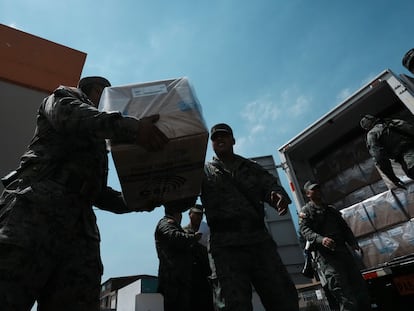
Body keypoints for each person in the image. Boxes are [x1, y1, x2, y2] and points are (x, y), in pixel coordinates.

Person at [0, 76, 169, 311]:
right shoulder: (63, 98)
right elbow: (76, 117)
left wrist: (137, 200)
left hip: (80, 228)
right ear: (91, 91)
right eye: (103, 93)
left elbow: (99, 193)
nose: (108, 100)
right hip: (35, 212)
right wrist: (133, 128)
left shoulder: (99, 141)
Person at [201, 123, 299, 311]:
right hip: (225, 247)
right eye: (215, 138)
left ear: (233, 140)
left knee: (282, 298)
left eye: (224, 136)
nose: (219, 139)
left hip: (258, 241)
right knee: (232, 305)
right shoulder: (203, 173)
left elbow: (271, 186)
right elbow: (183, 196)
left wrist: (276, 197)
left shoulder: (251, 168)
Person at [299, 181, 371, 311]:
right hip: (328, 257)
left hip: (343, 252)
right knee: (342, 290)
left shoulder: (330, 210)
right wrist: (321, 240)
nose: (318, 191)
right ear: (308, 194)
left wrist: (353, 243)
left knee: (359, 286)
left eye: (318, 188)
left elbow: (344, 228)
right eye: (314, 190)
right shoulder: (306, 212)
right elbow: (305, 231)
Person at [155, 205, 202, 311]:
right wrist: (193, 238)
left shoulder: (173, 225)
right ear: (177, 213)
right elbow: (174, 237)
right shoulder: (166, 223)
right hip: (171, 278)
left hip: (179, 277)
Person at [360, 114, 414, 188]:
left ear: (367, 128)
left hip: (410, 162)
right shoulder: (396, 122)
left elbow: (379, 158)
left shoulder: (372, 134)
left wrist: (393, 179)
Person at [183, 204, 214, 311]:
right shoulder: (183, 232)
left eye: (201, 215)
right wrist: (193, 239)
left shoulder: (208, 230)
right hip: (192, 274)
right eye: (196, 214)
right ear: (190, 215)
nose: (199, 217)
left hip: (207, 272)